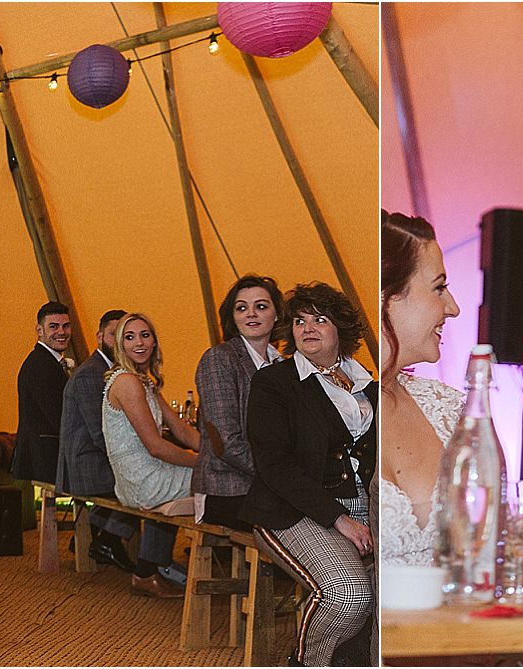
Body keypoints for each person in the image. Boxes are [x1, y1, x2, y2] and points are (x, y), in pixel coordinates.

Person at [244, 283, 377, 667]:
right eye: (300, 320)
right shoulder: (274, 383)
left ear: (341, 329)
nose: (308, 328)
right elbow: (274, 465)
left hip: (369, 506)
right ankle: (305, 662)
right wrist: (339, 518)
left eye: (320, 319)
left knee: (390, 591)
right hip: (292, 508)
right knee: (349, 594)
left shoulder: (367, 383)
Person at [376, 212, 461, 568]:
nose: (453, 308)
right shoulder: (322, 405)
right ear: (385, 297)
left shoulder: (449, 407)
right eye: (438, 287)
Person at [102, 313, 202, 597]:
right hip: (142, 478)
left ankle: (150, 569)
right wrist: (204, 462)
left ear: (155, 341)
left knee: (223, 474)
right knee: (221, 481)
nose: (139, 343)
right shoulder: (127, 383)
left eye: (145, 335)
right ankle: (235, 560)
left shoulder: (144, 382)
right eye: (130, 337)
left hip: (148, 471)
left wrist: (217, 452)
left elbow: (182, 431)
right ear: (120, 345)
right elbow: (155, 446)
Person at [193, 275, 287, 532]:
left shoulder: (282, 364)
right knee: (301, 525)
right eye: (241, 308)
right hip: (226, 490)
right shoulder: (219, 359)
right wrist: (279, 476)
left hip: (268, 484)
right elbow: (224, 442)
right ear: (232, 318)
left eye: (261, 306)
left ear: (277, 314)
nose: (251, 314)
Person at [57, 310, 142, 575]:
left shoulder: (118, 371)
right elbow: (99, 433)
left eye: (123, 335)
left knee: (147, 475)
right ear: (99, 336)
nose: (118, 340)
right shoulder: (90, 374)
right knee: (144, 484)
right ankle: (113, 541)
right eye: (113, 334)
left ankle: (101, 532)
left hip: (99, 454)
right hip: (86, 461)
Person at [13, 301, 75, 485]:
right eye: (53, 327)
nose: (61, 332)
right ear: (39, 330)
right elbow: (58, 416)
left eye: (66, 326)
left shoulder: (49, 362)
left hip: (46, 458)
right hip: (43, 459)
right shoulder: (40, 365)